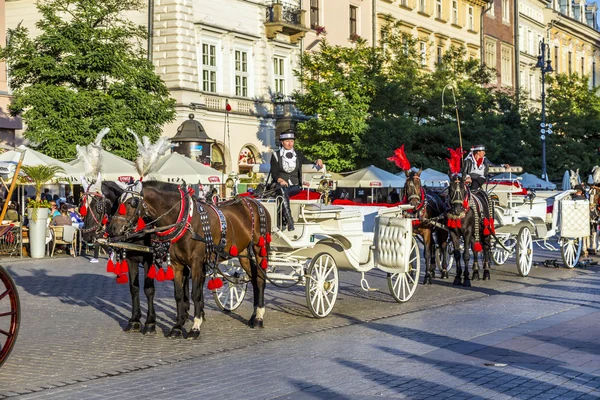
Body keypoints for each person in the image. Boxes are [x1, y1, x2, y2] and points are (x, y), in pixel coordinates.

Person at [270, 129, 323, 231]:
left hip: (294, 185)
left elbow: (309, 162)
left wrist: (317, 160)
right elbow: (274, 172)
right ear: (282, 142)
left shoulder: (298, 154)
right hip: (280, 184)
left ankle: (283, 219)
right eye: (287, 141)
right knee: (282, 190)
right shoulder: (275, 155)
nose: (290, 143)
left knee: (284, 192)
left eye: (292, 141)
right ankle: (290, 220)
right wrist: (280, 180)